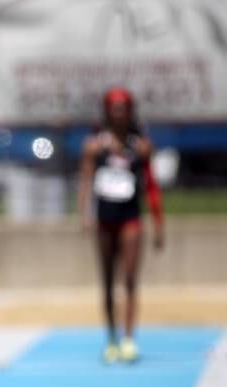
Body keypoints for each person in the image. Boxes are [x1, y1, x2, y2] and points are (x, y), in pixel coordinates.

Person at [78, 87, 165, 363]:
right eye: (114, 108)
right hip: (105, 218)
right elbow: (86, 182)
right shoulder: (95, 146)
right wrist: (84, 213)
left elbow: (151, 185)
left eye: (123, 107)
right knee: (107, 280)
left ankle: (129, 338)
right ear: (106, 111)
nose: (119, 113)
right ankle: (111, 338)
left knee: (129, 278)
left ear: (130, 111)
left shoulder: (141, 147)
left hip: (130, 217)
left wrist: (158, 221)